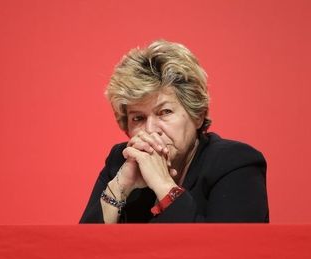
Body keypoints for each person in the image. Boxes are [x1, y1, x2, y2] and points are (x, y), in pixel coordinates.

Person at [79, 40, 269, 223]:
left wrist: (163, 185)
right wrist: (119, 187)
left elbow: (225, 251)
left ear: (198, 115)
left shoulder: (235, 163)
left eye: (164, 112)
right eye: (138, 118)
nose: (151, 129)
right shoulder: (120, 161)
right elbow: (81, 250)